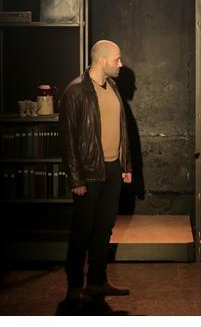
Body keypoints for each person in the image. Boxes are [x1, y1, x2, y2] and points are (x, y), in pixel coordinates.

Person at [60, 40, 132, 303]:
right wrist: (76, 178)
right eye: (117, 59)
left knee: (104, 229)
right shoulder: (75, 91)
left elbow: (122, 128)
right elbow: (68, 140)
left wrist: (126, 165)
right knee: (82, 230)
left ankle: (97, 282)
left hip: (112, 169)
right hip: (88, 172)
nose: (120, 64)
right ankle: (74, 286)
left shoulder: (112, 87)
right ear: (102, 60)